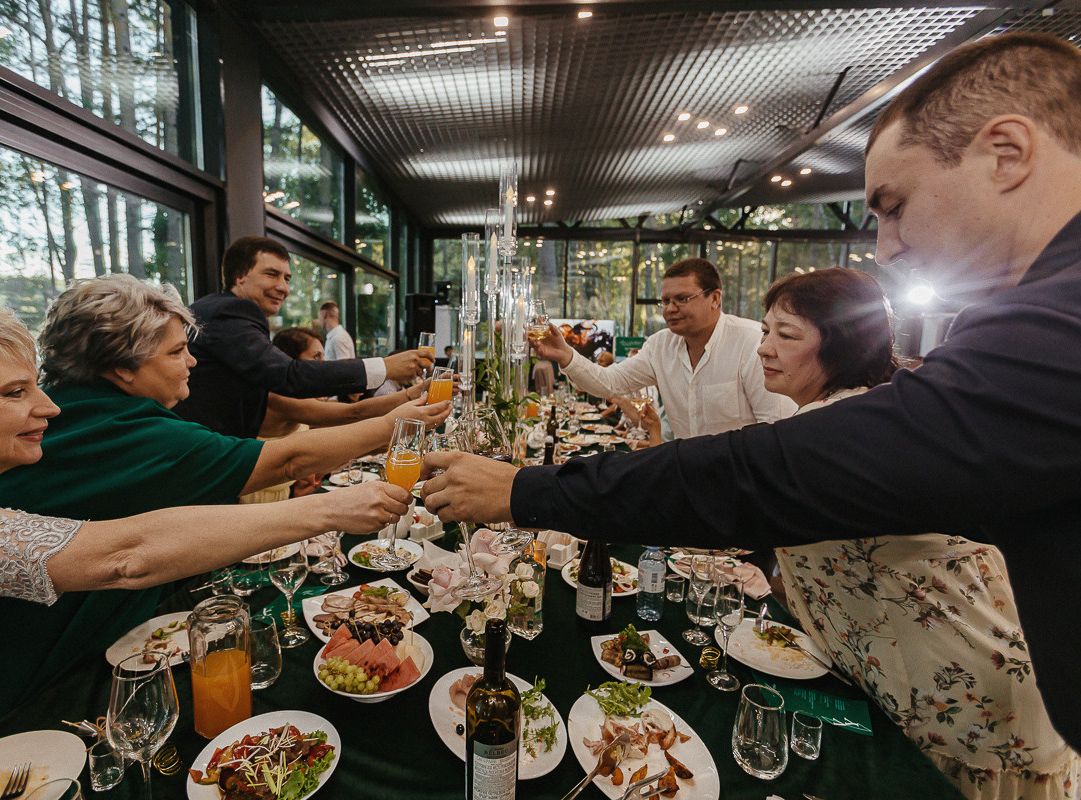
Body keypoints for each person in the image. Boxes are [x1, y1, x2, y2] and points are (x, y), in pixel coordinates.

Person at [422, 32, 1081, 751]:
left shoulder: (1057, 327)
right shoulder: (1040, 318)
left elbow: (762, 469)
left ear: (1006, 153)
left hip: (974, 714)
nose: (888, 245)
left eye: (893, 204)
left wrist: (525, 490)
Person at [0, 296, 414, 795]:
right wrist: (327, 510)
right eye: (14, 393)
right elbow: (123, 555)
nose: (50, 406)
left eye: (36, 384)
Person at [757, 267, 1078, 798]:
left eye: (786, 335)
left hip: (962, 691)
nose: (765, 348)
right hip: (917, 679)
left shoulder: (848, 427)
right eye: (764, 331)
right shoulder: (842, 414)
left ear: (842, 345)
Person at [173, 236, 429, 438]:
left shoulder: (217, 309)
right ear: (239, 276)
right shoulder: (232, 310)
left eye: (286, 278)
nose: (283, 287)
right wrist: (385, 366)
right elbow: (289, 375)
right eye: (271, 274)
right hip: (200, 451)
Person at [532, 258, 794, 438]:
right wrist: (565, 354)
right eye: (665, 301)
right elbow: (608, 383)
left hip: (737, 489)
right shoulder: (660, 346)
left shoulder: (751, 343)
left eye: (682, 299)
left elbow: (776, 430)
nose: (669, 309)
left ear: (715, 298)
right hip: (684, 483)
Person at [258, 327, 431, 440]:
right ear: (293, 362)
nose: (323, 363)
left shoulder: (309, 400)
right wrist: (411, 393)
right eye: (316, 357)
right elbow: (354, 412)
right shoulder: (280, 399)